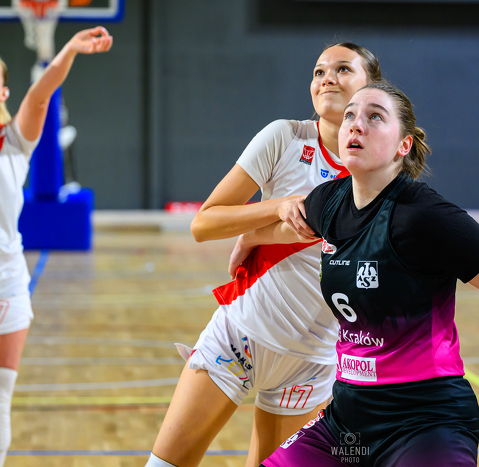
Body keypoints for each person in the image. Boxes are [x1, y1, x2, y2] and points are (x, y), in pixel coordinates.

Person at [229, 81, 479, 467]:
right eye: (350, 116)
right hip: (347, 422)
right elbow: (290, 228)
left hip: (426, 419)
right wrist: (250, 238)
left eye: (374, 117)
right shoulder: (328, 202)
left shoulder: (425, 217)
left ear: (403, 145)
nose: (356, 124)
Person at [145, 43, 382, 467]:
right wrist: (275, 208)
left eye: (343, 69)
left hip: (312, 361)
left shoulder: (378, 171)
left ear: (372, 89)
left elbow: (333, 229)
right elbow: (204, 223)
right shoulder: (285, 137)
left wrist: (256, 236)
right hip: (242, 335)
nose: (327, 78)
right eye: (319, 71)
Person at [0, 27, 113, 466]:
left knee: (1, 397)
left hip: (7, 286)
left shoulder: (13, 144)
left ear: (4, 92)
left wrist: (67, 50)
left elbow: (40, 95)